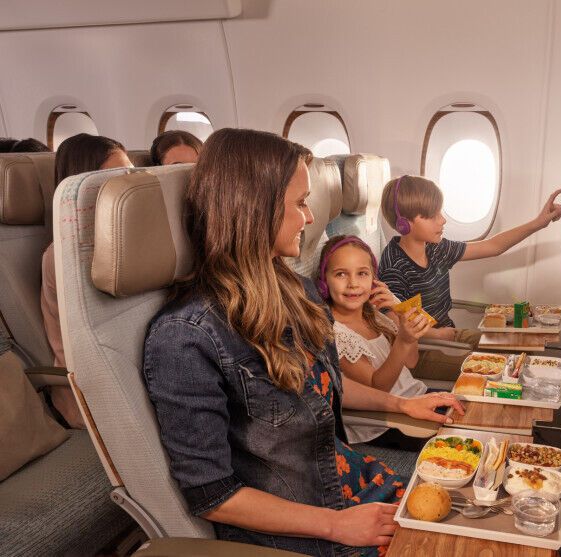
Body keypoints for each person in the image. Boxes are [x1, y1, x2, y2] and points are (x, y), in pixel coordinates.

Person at [143, 129, 464, 556]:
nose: (310, 218)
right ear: (253, 209)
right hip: (304, 525)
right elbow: (211, 494)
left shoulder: (297, 292)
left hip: (343, 477)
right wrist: (337, 525)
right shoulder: (186, 336)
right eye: (298, 203)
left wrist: (404, 405)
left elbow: (320, 388)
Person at [378, 174, 561, 377]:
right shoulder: (394, 266)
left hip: (447, 334)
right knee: (503, 369)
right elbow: (394, 322)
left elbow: (493, 246)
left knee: (516, 345)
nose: (443, 219)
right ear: (404, 224)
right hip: (420, 350)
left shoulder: (435, 247)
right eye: (432, 216)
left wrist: (538, 223)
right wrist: (436, 334)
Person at [41, 134, 133, 428]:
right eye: (112, 180)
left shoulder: (123, 236)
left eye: (129, 175)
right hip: (88, 392)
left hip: (127, 371)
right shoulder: (62, 256)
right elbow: (98, 345)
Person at [317, 235, 442, 448]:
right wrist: (403, 340)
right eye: (341, 274)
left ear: (374, 279)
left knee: (470, 408)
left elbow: (411, 361)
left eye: (362, 273)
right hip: (385, 422)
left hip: (415, 395)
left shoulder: (373, 315)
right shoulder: (335, 333)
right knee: (465, 434)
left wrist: (401, 312)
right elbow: (378, 387)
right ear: (324, 281)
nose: (353, 284)